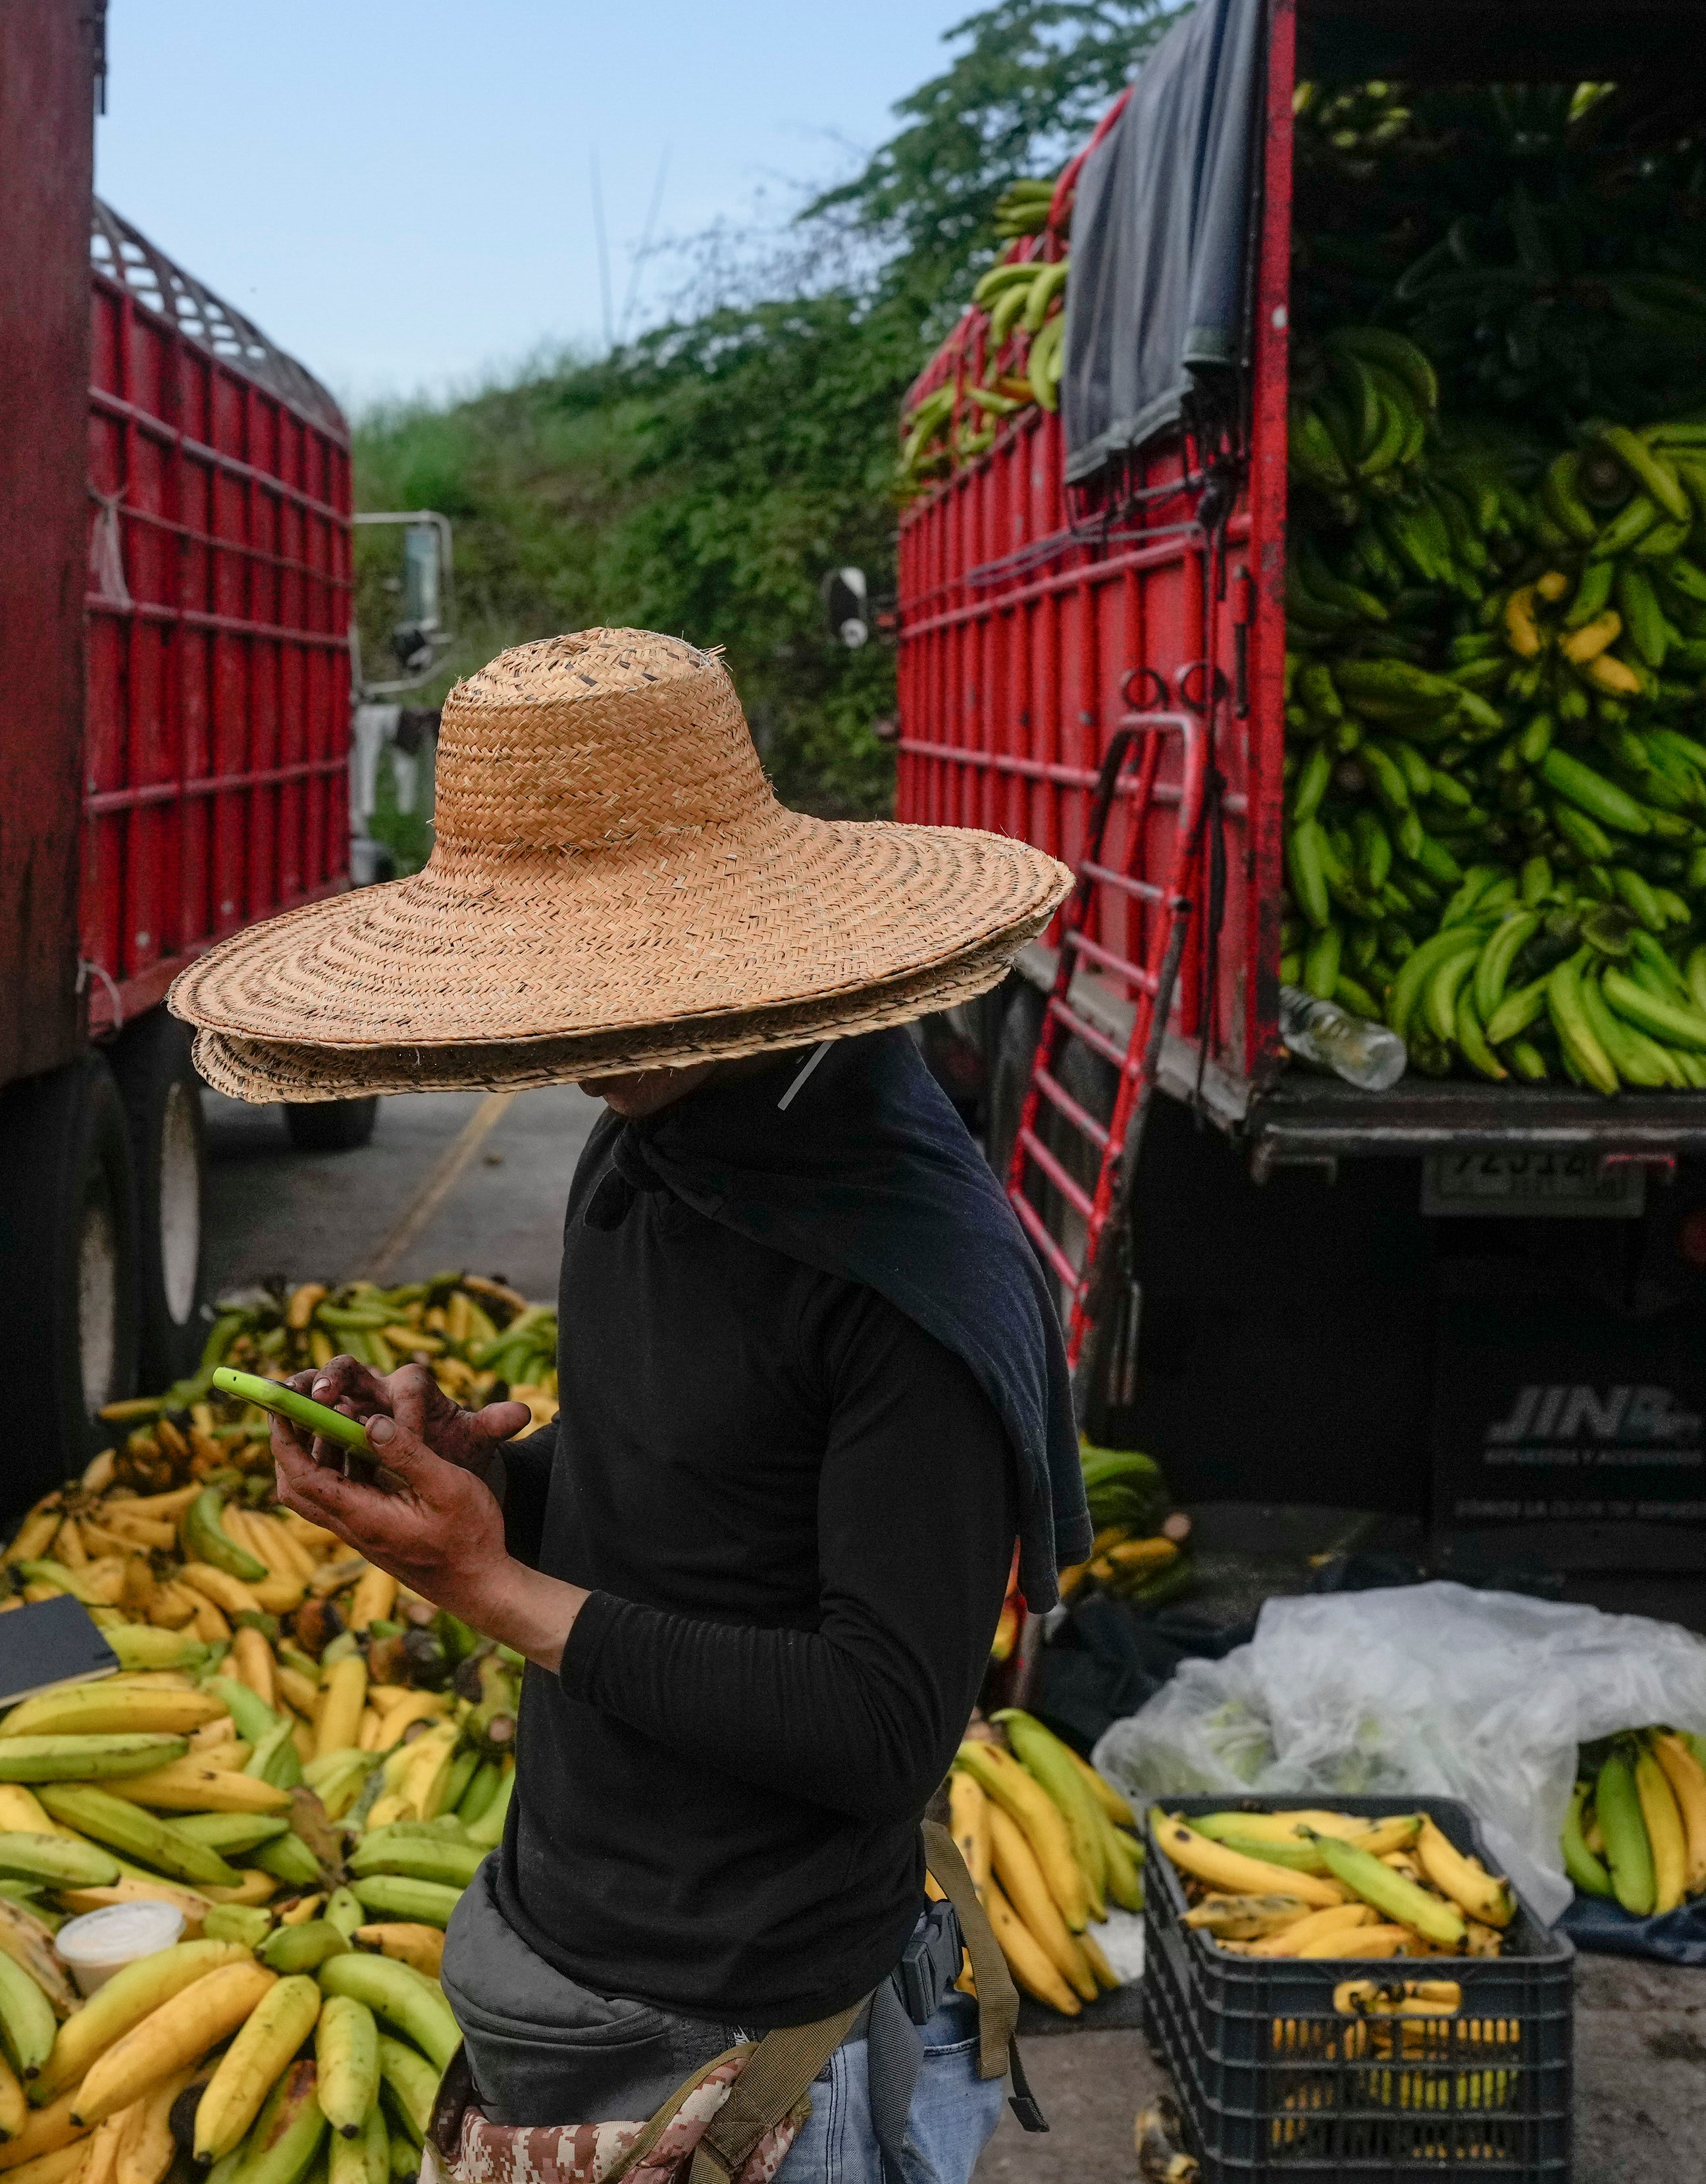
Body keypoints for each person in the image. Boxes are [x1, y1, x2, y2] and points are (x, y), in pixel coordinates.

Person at [167, 629, 1084, 2184]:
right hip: (569, 1937)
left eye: (614, 998)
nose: (585, 1049)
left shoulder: (908, 1281)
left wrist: (492, 1587)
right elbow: (692, 1510)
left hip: (755, 2025)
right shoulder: (656, 1148)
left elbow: (879, 1722)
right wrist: (481, 1483)